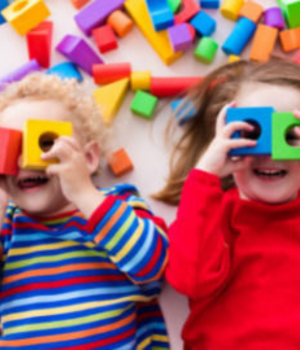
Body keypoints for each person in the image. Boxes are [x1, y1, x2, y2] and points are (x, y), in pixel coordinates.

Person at [0, 73, 169, 349]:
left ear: (89, 158)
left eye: (44, 143)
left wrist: (83, 193)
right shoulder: (8, 226)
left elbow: (153, 267)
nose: (24, 161)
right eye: (8, 148)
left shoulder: (117, 207)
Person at [156, 58, 300, 349]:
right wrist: (205, 175)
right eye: (253, 135)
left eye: (290, 136)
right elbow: (189, 280)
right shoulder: (211, 211)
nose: (270, 153)